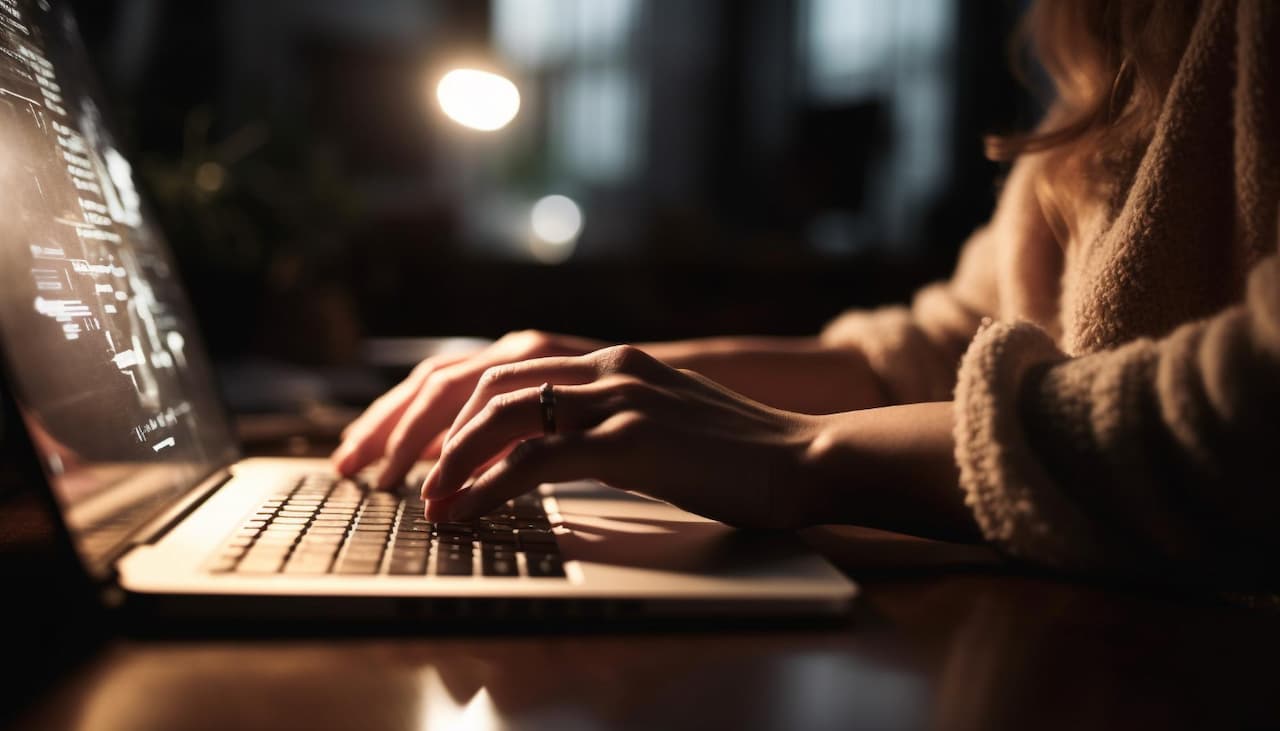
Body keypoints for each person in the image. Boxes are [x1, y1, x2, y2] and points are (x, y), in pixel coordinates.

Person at [332, 0, 1280, 586]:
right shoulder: (1107, 30)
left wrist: (803, 453)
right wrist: (595, 381)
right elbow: (940, 350)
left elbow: (1250, 405)